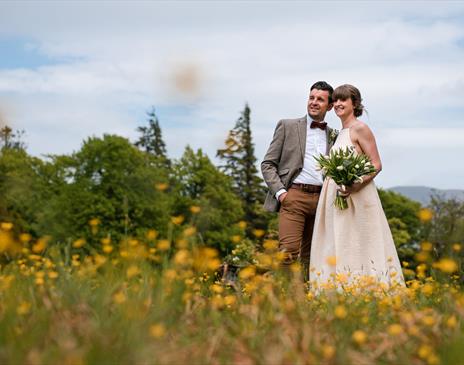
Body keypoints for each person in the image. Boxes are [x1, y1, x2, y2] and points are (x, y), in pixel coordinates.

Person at [309, 84, 404, 288]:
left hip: (356, 197)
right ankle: (339, 290)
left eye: (343, 100)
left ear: (355, 103)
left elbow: (376, 164)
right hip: (337, 199)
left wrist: (353, 186)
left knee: (357, 243)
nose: (338, 104)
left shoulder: (360, 128)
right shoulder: (340, 133)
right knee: (339, 243)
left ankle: (364, 289)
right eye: (335, 100)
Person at [261, 81, 337, 280]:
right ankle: (282, 299)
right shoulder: (287, 126)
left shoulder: (334, 136)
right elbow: (268, 164)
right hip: (293, 197)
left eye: (320, 99)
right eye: (311, 97)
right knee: (288, 252)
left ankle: (305, 303)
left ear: (329, 106)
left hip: (322, 201)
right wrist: (282, 194)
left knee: (311, 257)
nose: (314, 102)